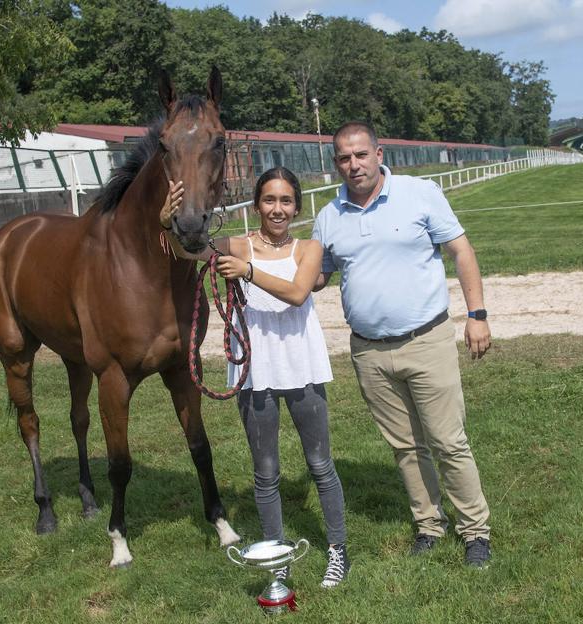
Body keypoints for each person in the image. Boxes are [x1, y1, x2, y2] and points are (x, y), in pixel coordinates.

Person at [312, 121, 493, 568]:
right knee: (406, 447)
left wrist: (477, 315)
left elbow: (461, 251)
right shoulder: (329, 215)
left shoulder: (420, 193)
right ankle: (430, 525)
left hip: (426, 340)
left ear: (378, 152)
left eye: (360, 155)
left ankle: (476, 532)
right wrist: (259, 262)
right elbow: (316, 277)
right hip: (369, 352)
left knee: (448, 441)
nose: (353, 165)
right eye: (343, 158)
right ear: (336, 163)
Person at [161, 167, 350, 588]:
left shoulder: (309, 248)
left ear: (297, 207)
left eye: (285, 201)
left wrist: (246, 270)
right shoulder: (233, 244)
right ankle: (276, 555)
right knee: (265, 472)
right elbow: (182, 251)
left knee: (320, 464)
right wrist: (165, 220)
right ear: (255, 205)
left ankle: (338, 550)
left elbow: (298, 292)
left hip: (301, 365)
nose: (277, 209)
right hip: (253, 370)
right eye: (269, 200)